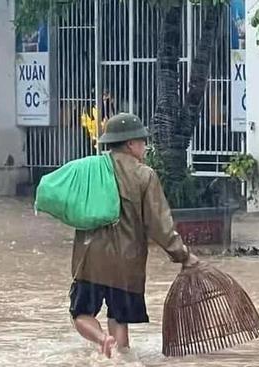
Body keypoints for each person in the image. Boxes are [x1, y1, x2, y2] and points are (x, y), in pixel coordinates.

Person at [69, 112, 199, 358]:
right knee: (119, 318)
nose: (145, 146)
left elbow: (71, 206)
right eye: (142, 141)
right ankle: (121, 357)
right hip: (126, 265)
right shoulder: (144, 175)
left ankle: (101, 339)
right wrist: (182, 255)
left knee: (82, 314)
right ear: (130, 144)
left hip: (89, 260)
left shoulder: (91, 169)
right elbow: (158, 223)